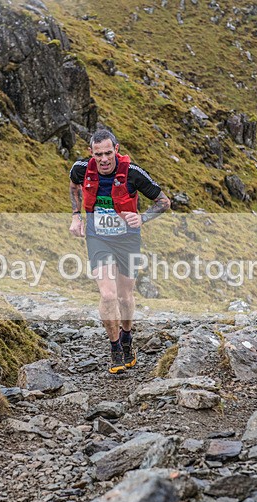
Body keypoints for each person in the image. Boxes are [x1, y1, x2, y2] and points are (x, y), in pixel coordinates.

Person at [69, 129, 170, 375]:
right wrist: (75, 216)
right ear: (91, 153)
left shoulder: (133, 174)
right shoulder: (81, 168)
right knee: (107, 295)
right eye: (98, 154)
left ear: (116, 149)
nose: (103, 159)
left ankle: (126, 337)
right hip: (98, 238)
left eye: (108, 153)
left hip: (127, 240)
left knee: (125, 297)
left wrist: (142, 218)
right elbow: (74, 187)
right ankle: (115, 348)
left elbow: (164, 201)